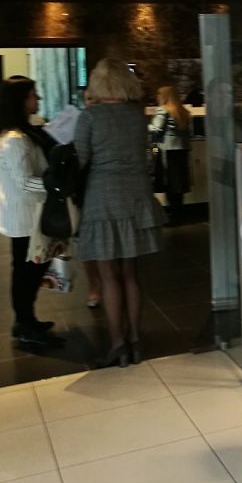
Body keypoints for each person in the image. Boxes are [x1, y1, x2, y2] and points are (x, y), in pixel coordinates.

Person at [74, 58, 166, 368]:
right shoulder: (137, 115)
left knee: (108, 275)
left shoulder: (90, 117)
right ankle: (136, 340)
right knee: (130, 273)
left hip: (102, 199)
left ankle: (118, 344)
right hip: (136, 198)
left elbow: (80, 159)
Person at [0, 76, 61, 347]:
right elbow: (25, 181)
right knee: (27, 272)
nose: (37, 99)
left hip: (24, 214)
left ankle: (26, 321)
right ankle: (25, 324)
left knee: (27, 270)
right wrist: (55, 186)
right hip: (25, 215)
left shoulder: (14, 134)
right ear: (20, 100)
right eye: (32, 95)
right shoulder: (15, 139)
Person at [150, 85, 192, 224]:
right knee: (178, 184)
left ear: (165, 96)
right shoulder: (183, 111)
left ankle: (172, 215)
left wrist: (144, 126)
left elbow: (156, 129)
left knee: (168, 182)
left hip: (166, 150)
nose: (157, 97)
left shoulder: (163, 110)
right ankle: (179, 213)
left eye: (159, 94)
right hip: (182, 150)